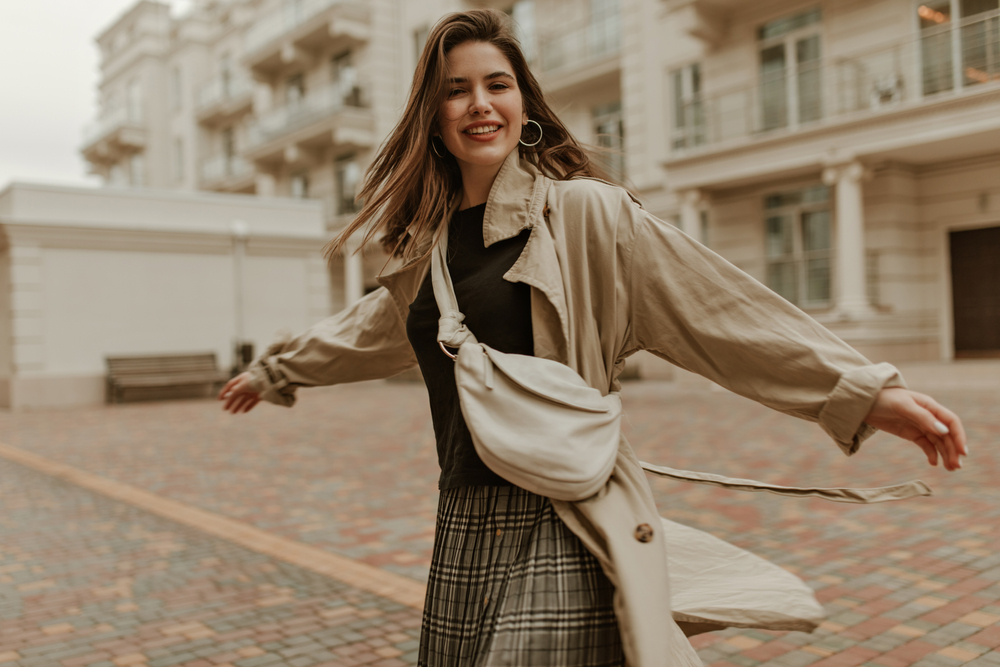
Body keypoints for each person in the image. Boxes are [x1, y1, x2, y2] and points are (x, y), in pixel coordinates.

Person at [219, 9, 967, 667]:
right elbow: (368, 330)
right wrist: (276, 372)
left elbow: (719, 309)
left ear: (523, 104)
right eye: (457, 89)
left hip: (566, 506)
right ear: (434, 116)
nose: (480, 103)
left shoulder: (587, 216)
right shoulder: (427, 252)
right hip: (466, 519)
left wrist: (863, 391)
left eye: (497, 84)